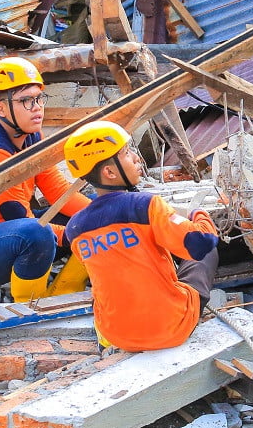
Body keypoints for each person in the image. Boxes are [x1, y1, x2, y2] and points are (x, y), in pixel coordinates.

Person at [61, 120, 221, 352]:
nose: (137, 158)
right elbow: (200, 244)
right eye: (126, 153)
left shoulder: (75, 228)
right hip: (170, 328)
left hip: (116, 335)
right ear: (109, 172)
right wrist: (200, 215)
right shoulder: (145, 206)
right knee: (206, 251)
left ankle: (108, 337)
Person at [0, 57, 92, 301]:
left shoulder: (31, 137)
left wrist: (104, 215)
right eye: (25, 101)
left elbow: (58, 192)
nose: (37, 107)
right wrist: (74, 232)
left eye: (38, 98)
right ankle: (28, 303)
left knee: (96, 206)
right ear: (0, 108)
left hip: (10, 235)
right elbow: (17, 215)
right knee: (37, 232)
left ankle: (67, 286)